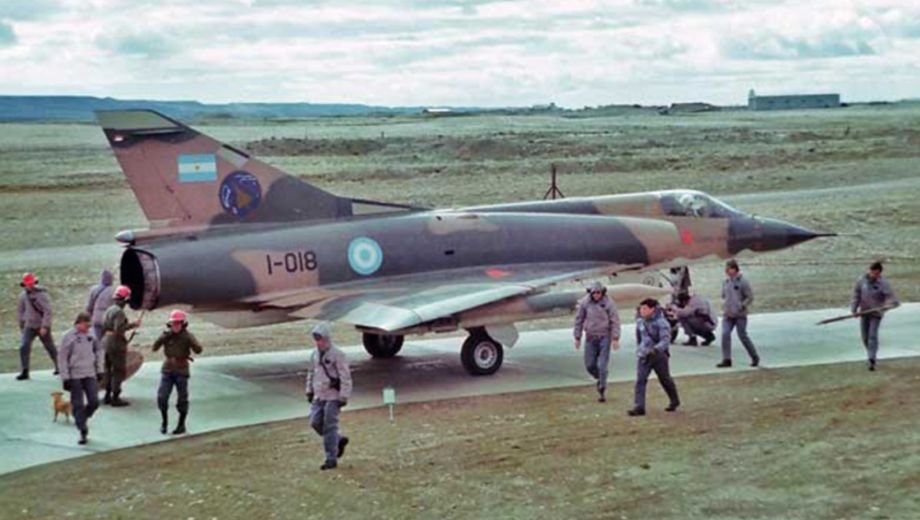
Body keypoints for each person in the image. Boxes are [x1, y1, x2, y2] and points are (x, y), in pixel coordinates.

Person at [305, 322, 352, 470]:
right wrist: (309, 390)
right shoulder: (314, 354)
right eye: (317, 340)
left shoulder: (338, 354)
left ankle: (331, 458)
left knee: (329, 426)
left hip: (333, 396)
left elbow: (345, 376)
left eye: (321, 339)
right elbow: (311, 373)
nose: (319, 342)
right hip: (319, 395)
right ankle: (338, 440)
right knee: (315, 422)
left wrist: (343, 396)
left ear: (327, 338)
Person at [152, 310, 203, 435]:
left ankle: (181, 424)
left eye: (178, 324)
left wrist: (191, 340)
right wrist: (163, 337)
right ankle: (164, 422)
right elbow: (154, 348)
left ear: (183, 324)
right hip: (167, 369)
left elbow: (198, 350)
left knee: (182, 400)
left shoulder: (187, 336)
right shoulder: (166, 335)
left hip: (181, 370)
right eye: (173, 323)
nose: (175, 326)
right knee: (162, 397)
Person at [57, 312, 104, 445]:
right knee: (77, 404)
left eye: (89, 325)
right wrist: (65, 377)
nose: (88, 328)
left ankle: (82, 417)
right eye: (86, 325)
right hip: (75, 375)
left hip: (90, 373)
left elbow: (99, 351)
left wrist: (100, 369)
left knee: (94, 401)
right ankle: (82, 430)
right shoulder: (68, 337)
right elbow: (62, 358)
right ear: (78, 323)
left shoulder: (92, 335)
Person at [628, 299, 680, 416]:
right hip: (644, 355)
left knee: (665, 379)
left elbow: (666, 340)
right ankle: (639, 406)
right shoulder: (640, 322)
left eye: (644, 308)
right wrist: (641, 349)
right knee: (640, 380)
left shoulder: (662, 323)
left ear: (652, 309)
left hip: (659, 356)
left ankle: (674, 400)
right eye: (641, 308)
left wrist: (656, 349)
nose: (641, 311)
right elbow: (639, 338)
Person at [573, 281, 621, 403]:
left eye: (598, 292)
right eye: (594, 293)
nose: (596, 295)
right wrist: (577, 337)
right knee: (590, 365)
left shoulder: (608, 303)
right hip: (590, 337)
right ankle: (600, 377)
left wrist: (615, 338)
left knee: (602, 365)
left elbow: (615, 320)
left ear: (602, 292)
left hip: (605, 337)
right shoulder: (585, 302)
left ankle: (602, 390)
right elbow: (579, 319)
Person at [851, 261, 899, 371]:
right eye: (872, 273)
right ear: (869, 270)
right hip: (864, 312)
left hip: (876, 313)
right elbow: (856, 295)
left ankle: (871, 359)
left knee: (872, 336)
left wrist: (886, 306)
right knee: (865, 337)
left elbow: (891, 299)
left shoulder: (883, 283)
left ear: (879, 273)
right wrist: (854, 309)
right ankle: (870, 353)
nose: (874, 275)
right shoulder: (861, 280)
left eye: (876, 274)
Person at [101, 285, 141, 406]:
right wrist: (133, 325)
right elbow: (118, 329)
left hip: (106, 341)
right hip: (116, 343)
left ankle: (107, 395)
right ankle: (115, 397)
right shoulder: (119, 313)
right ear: (125, 300)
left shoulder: (109, 309)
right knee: (118, 370)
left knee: (107, 369)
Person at [718, 260, 759, 368]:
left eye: (729, 268)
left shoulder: (743, 282)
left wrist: (742, 306)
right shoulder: (725, 282)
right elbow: (723, 295)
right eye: (726, 268)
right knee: (725, 334)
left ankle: (754, 356)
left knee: (743, 336)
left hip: (740, 315)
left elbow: (750, 297)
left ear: (735, 269)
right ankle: (726, 359)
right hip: (728, 314)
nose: (726, 270)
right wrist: (725, 306)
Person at [16, 272, 58, 380]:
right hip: (29, 326)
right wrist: (22, 325)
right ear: (24, 284)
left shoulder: (42, 295)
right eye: (27, 284)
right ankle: (25, 370)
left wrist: (45, 326)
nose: (29, 286)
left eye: (31, 283)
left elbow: (47, 311)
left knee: (50, 347)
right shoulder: (22, 296)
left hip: (41, 326)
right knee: (24, 346)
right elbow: (20, 312)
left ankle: (59, 366)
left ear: (34, 282)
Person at [85, 269, 115, 342]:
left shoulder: (94, 289)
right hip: (107, 320)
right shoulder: (113, 291)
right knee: (107, 341)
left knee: (97, 339)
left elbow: (89, 307)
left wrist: (87, 319)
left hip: (96, 318)